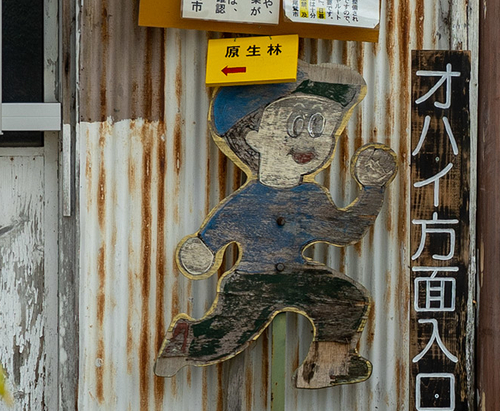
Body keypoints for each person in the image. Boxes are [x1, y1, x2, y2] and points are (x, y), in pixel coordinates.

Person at [154, 62, 398, 388]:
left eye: (319, 127)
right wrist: (204, 248)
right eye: (294, 124)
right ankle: (187, 342)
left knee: (346, 299)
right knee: (228, 333)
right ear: (253, 136)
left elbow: (344, 231)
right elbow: (217, 231)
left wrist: (372, 189)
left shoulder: (311, 197)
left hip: (299, 275)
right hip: (250, 281)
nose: (308, 140)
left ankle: (327, 366)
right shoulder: (247, 201)